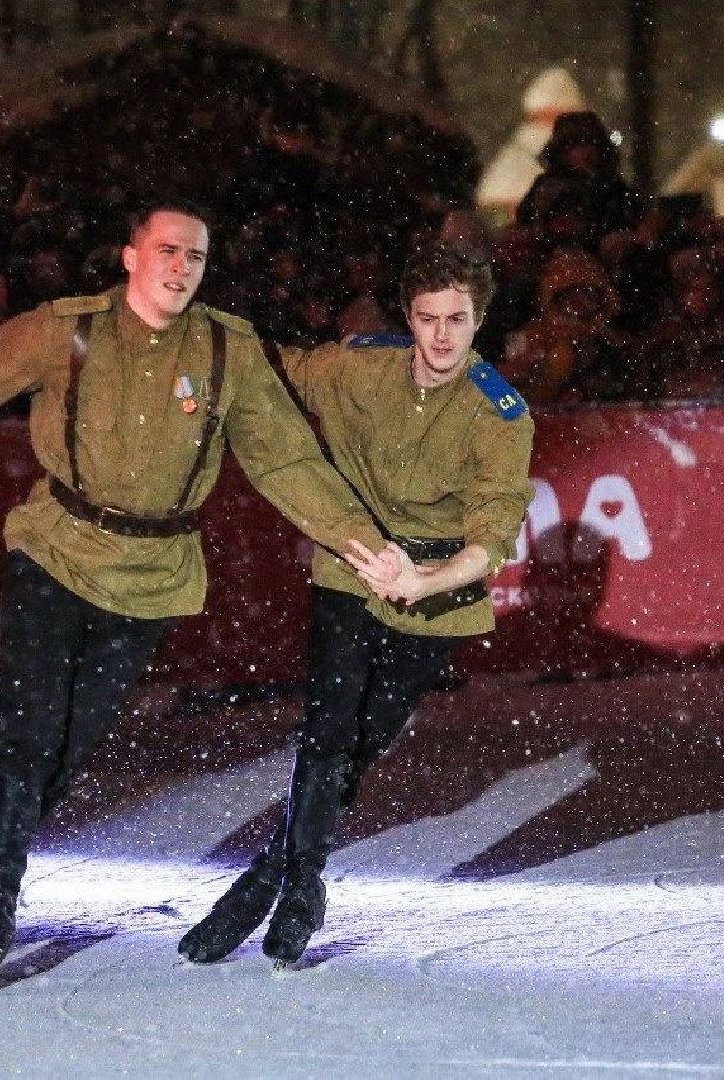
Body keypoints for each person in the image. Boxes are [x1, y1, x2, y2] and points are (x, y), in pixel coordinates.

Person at [0, 200, 402, 989]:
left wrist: (361, 541)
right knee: (28, 741)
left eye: (195, 257)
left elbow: (287, 463)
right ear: (130, 257)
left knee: (59, 763)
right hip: (52, 553)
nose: (181, 267)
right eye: (167, 251)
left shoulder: (226, 350)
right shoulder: (65, 331)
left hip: (151, 580)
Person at [177, 242, 535, 968]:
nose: (440, 337)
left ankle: (258, 883)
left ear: (480, 320)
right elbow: (266, 366)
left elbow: (493, 535)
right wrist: (191, 362)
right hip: (351, 568)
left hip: (434, 594)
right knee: (325, 732)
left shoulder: (500, 413)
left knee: (360, 745)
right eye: (427, 319)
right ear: (407, 316)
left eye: (457, 320)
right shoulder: (355, 368)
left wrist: (426, 582)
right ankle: (302, 886)